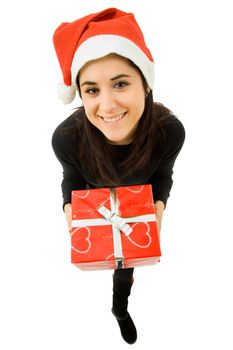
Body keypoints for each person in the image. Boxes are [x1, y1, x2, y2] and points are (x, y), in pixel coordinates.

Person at [51, 7, 185, 345]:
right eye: (92, 90)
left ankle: (119, 308)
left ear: (145, 84)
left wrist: (157, 204)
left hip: (134, 206)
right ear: (81, 94)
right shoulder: (66, 138)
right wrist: (69, 205)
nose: (107, 105)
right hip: (97, 207)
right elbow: (72, 179)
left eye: (121, 84)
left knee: (125, 269)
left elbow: (163, 175)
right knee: (108, 255)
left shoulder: (170, 132)